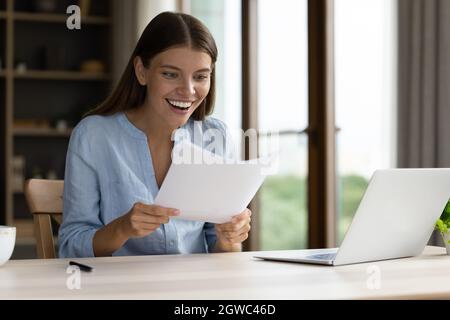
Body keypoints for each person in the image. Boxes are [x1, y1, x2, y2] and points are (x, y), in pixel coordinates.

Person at [58, 12, 251, 258]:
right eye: (170, 74)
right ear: (141, 71)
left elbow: (224, 254)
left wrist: (229, 239)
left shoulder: (215, 136)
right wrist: (122, 227)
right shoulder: (93, 136)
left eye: (200, 76)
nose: (188, 90)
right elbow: (70, 247)